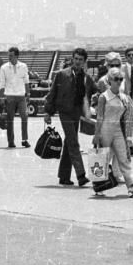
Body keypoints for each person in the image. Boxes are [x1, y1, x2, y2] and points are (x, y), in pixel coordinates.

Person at [44, 48, 96, 187]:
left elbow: (96, 91)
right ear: (72, 59)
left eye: (81, 60)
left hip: (77, 112)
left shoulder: (87, 78)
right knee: (73, 142)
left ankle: (64, 176)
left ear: (85, 62)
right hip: (65, 112)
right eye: (76, 59)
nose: (78, 62)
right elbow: (53, 93)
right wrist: (48, 112)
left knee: (69, 143)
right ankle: (81, 175)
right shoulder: (62, 74)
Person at [92, 67, 133, 197]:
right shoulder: (104, 97)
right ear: (110, 80)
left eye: (121, 79)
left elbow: (127, 114)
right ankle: (99, 186)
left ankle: (132, 185)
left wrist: (127, 134)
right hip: (105, 128)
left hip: (117, 129)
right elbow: (99, 117)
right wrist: (97, 134)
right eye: (116, 79)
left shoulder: (123, 97)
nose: (119, 81)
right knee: (102, 157)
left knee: (123, 157)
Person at [0, 47, 31, 149]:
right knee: (10, 119)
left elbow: (26, 81)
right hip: (9, 96)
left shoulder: (23, 66)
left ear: (17, 56)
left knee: (25, 117)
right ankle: (11, 141)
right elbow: (2, 83)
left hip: (21, 96)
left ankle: (24, 140)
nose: (9, 57)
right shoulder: (3, 68)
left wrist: (28, 93)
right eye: (8, 55)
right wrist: (2, 97)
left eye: (11, 55)